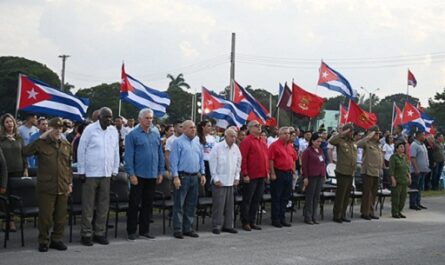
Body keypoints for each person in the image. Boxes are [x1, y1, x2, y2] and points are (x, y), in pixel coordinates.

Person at [23, 118, 73, 252]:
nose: (58, 131)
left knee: (61, 217)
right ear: (49, 129)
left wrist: (70, 182)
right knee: (45, 217)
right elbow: (25, 152)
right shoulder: (41, 143)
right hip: (47, 186)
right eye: (54, 128)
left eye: (60, 128)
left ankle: (56, 240)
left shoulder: (66, 144)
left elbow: (68, 166)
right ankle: (43, 241)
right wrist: (41, 137)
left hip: (63, 185)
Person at [77, 107, 119, 246]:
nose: (109, 120)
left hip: (106, 173)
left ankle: (99, 233)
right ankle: (86, 234)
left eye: (110, 117)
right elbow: (81, 149)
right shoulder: (89, 129)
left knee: (103, 206)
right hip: (90, 173)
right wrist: (81, 171)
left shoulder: (113, 131)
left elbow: (116, 151)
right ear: (99, 117)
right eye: (106, 117)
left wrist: (114, 170)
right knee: (88, 206)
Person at [125, 108, 164, 240]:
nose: (149, 120)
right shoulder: (132, 135)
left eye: (151, 118)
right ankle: (131, 231)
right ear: (140, 119)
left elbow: (160, 153)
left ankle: (144, 230)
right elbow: (129, 157)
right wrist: (131, 174)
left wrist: (160, 171)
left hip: (152, 174)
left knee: (148, 203)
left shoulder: (155, 132)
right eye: (147, 118)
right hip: (138, 174)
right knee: (134, 203)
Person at [170, 120, 206, 239]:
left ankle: (188, 228)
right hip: (182, 176)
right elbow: (173, 161)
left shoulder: (197, 143)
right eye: (190, 128)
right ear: (184, 129)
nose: (193, 129)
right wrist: (175, 177)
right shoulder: (178, 142)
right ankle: (178, 229)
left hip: (195, 176)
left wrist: (203, 174)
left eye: (194, 127)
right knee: (179, 204)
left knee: (191, 204)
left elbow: (201, 160)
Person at [208, 128, 241, 234]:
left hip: (231, 181)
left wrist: (237, 177)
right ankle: (217, 225)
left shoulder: (236, 148)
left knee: (230, 206)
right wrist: (215, 178)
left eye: (235, 136)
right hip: (220, 181)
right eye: (231, 136)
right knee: (219, 205)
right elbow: (212, 164)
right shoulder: (217, 147)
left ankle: (228, 225)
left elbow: (238, 164)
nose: (234, 138)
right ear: (225, 136)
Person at [239, 121, 269, 231]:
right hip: (251, 176)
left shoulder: (263, 141)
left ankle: (252, 220)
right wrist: (245, 174)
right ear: (250, 128)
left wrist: (267, 173)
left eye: (260, 126)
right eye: (256, 126)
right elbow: (243, 159)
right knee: (248, 199)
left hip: (261, 175)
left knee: (256, 199)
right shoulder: (247, 141)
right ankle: (245, 221)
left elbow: (266, 158)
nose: (259, 127)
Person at [329, 123, 357, 223]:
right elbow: (331, 141)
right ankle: (337, 215)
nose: (352, 133)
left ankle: (343, 214)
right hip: (342, 171)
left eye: (352, 131)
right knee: (340, 195)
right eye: (350, 131)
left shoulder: (352, 142)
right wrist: (343, 132)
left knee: (346, 196)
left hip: (350, 172)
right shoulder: (340, 140)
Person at [268, 127, 296, 228]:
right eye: (284, 133)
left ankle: (282, 217)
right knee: (277, 197)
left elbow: (293, 159)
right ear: (279, 134)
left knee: (285, 197)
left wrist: (292, 171)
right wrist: (272, 173)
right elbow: (270, 160)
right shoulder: (274, 146)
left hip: (288, 173)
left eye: (288, 133)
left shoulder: (290, 146)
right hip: (278, 173)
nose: (287, 135)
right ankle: (275, 219)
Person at [357, 126, 384, 220]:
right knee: (367, 193)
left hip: (376, 171)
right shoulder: (367, 142)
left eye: (379, 134)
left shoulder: (378, 144)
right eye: (376, 133)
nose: (378, 135)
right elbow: (358, 144)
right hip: (368, 171)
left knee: (373, 193)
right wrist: (368, 136)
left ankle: (371, 211)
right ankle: (365, 212)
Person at [302, 133, 326, 225]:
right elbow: (304, 166)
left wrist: (324, 174)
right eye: (317, 141)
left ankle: (314, 216)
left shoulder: (320, 150)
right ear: (312, 141)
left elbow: (323, 163)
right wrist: (306, 177)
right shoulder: (307, 151)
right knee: (310, 197)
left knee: (316, 197)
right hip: (311, 176)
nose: (319, 143)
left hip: (319, 176)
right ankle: (308, 216)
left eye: (320, 141)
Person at [389, 141, 411, 218]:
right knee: (396, 198)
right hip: (397, 180)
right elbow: (391, 169)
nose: (403, 148)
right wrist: (393, 179)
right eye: (401, 147)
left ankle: (399, 211)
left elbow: (407, 168)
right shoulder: (393, 157)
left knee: (403, 198)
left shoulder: (404, 157)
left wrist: (409, 176)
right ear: (396, 149)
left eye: (403, 147)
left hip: (404, 180)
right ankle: (395, 212)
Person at [409, 131, 429, 210]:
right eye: (423, 135)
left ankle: (418, 202)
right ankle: (413, 203)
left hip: (423, 170)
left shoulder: (423, 145)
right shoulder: (414, 145)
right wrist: (416, 169)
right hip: (416, 171)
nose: (424, 137)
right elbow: (413, 158)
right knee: (415, 187)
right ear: (418, 136)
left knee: (420, 187)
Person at [196, 120, 216, 196]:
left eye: (211, 126)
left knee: (209, 181)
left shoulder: (212, 138)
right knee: (202, 180)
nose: (210, 127)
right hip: (201, 162)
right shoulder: (197, 138)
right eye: (208, 126)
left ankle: (206, 196)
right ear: (203, 127)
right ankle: (201, 195)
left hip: (210, 162)